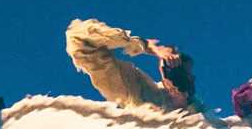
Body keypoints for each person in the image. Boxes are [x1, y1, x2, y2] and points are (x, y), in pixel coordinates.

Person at [64, 19, 195, 111]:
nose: (176, 76)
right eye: (168, 66)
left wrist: (183, 97)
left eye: (182, 73)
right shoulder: (138, 91)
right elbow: (79, 40)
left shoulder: (199, 112)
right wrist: (142, 45)